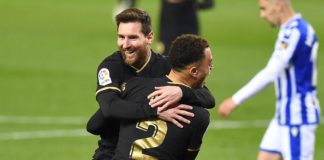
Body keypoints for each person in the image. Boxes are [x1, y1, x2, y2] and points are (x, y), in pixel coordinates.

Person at [87, 8, 215, 160]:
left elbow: (208, 98)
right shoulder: (111, 66)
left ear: (150, 37)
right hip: (110, 152)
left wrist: (181, 92)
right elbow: (109, 108)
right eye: (121, 37)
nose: (125, 44)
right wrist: (154, 110)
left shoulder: (166, 66)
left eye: (133, 38)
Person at [218, 0, 320, 159]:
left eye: (264, 9)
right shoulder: (301, 28)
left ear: (278, 4)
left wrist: (235, 100)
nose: (262, 15)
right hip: (284, 115)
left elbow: (271, 72)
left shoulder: (293, 33)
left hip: (297, 117)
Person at [113, 34, 212, 160]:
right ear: (193, 72)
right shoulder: (198, 115)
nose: (211, 69)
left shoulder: (134, 86)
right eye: (210, 64)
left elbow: (95, 125)